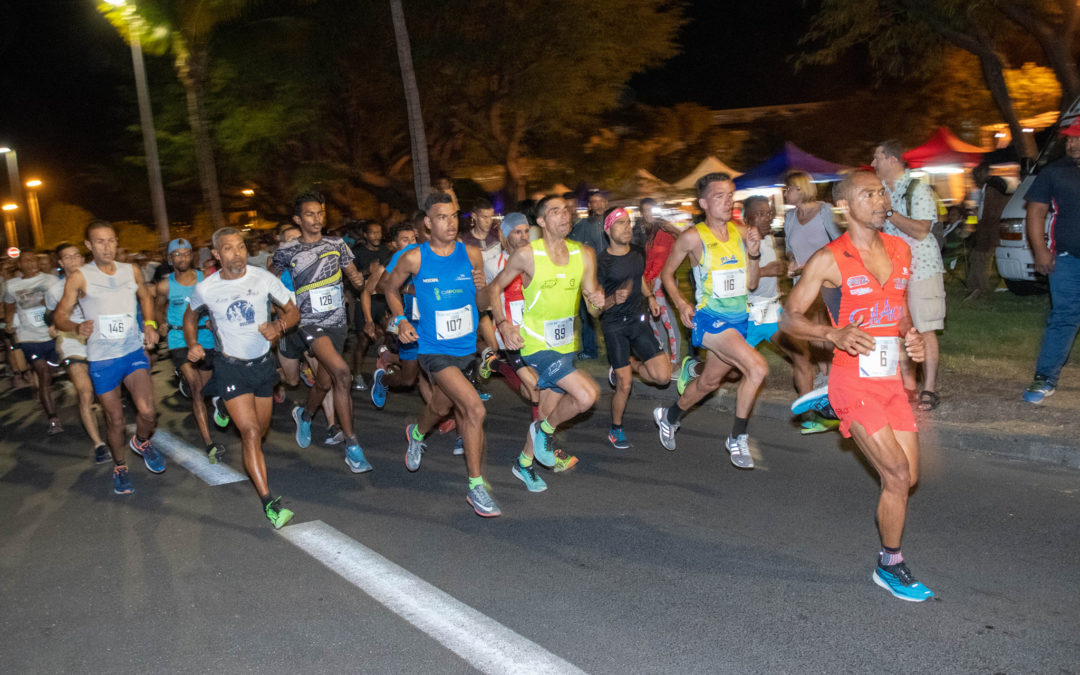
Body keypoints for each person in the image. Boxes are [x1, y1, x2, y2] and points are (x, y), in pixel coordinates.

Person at [780, 169, 933, 602]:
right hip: (853, 381)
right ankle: (890, 565)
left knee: (909, 477)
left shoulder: (901, 249)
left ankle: (829, 403)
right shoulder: (830, 258)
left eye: (882, 192)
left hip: (888, 381)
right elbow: (788, 317)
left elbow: (898, 310)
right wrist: (832, 335)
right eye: (870, 194)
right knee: (897, 474)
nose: (881, 199)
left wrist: (911, 337)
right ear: (846, 205)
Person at [384, 192, 500, 517]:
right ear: (428, 223)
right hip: (432, 348)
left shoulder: (473, 255)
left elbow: (481, 305)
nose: (451, 223)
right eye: (442, 217)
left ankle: (417, 433)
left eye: (454, 216)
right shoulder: (414, 258)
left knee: (442, 403)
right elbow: (389, 289)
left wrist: (483, 289)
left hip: (465, 348)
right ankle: (476, 487)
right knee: (474, 409)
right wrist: (400, 319)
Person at [487, 195, 605, 493]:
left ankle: (524, 463)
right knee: (587, 395)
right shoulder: (527, 255)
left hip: (565, 345)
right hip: (535, 346)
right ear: (541, 221)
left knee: (543, 414)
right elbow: (494, 289)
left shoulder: (584, 254)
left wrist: (597, 302)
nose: (564, 216)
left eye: (566, 211)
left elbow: (592, 304)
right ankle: (547, 434)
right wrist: (503, 324)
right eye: (555, 211)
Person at [185, 227, 300, 528]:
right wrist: (193, 343)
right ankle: (269, 503)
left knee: (260, 432)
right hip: (230, 367)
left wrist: (280, 327)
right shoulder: (206, 288)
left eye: (241, 247)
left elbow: (292, 310)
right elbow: (189, 316)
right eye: (229, 249)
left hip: (262, 366)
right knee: (249, 434)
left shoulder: (263, 278)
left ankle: (222, 406)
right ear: (216, 254)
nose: (237, 254)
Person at [652, 173, 766, 469]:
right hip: (710, 319)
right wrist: (680, 303)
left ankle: (670, 416)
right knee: (757, 367)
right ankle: (737, 438)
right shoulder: (693, 237)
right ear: (703, 203)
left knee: (709, 382)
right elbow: (666, 274)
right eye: (719, 196)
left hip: (738, 319)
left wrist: (754, 254)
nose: (727, 201)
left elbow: (752, 284)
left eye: (730, 195)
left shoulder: (742, 232)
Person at [54, 220, 165, 495]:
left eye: (112, 240)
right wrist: (75, 327)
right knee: (114, 420)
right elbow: (59, 316)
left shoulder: (131, 270)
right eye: (100, 242)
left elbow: (145, 297)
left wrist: (149, 325)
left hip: (131, 351)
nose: (107, 246)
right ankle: (120, 466)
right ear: (89, 246)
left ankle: (140, 441)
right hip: (103, 359)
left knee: (148, 411)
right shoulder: (80, 276)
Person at [270, 191, 371, 472]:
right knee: (342, 373)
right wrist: (282, 312)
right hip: (309, 323)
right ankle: (352, 445)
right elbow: (269, 284)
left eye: (320, 213)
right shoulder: (287, 251)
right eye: (310, 214)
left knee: (325, 382)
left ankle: (305, 413)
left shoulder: (337, 244)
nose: (317, 219)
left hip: (338, 322)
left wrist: (359, 279)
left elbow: (355, 278)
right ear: (298, 219)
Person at [872, 140, 946, 411]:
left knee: (925, 330)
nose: (872, 163)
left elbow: (921, 230)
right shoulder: (881, 192)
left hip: (922, 270)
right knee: (898, 330)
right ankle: (907, 386)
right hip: (893, 273)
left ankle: (929, 389)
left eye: (876, 157)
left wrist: (889, 212)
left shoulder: (918, 189)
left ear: (892, 159)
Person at [597, 207, 670, 449]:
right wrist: (611, 300)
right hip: (614, 325)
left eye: (628, 222)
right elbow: (594, 308)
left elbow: (638, 277)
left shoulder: (637, 253)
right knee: (624, 385)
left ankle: (630, 365)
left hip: (638, 320)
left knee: (663, 376)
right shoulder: (601, 262)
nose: (627, 227)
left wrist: (650, 297)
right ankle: (615, 429)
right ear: (608, 230)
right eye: (620, 223)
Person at [1022, 119, 1080, 404]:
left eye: (1077, 139)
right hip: (1068, 260)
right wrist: (1040, 251)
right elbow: (1035, 212)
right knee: (1064, 317)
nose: (1071, 143)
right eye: (1069, 139)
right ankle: (1045, 377)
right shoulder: (1054, 172)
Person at [154, 238, 225, 462]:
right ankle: (209, 443)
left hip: (205, 338)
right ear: (170, 258)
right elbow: (157, 308)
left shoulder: (206, 280)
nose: (183, 258)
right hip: (178, 340)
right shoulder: (165, 285)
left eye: (186, 253)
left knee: (204, 388)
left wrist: (215, 320)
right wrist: (160, 324)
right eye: (178, 254)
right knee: (196, 389)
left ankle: (215, 400)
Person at [46, 243, 108, 461]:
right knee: (85, 391)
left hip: (99, 341)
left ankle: (112, 429)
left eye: (76, 256)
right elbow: (51, 316)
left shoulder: (97, 280)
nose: (73, 260)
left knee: (106, 393)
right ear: (61, 263)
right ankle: (99, 444)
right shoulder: (55, 291)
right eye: (67, 258)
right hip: (72, 342)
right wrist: (54, 325)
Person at [4, 250, 64, 433]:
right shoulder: (11, 285)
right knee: (43, 374)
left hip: (51, 336)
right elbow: (9, 307)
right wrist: (8, 324)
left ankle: (45, 393)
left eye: (33, 260)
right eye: (25, 261)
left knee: (50, 372)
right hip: (28, 338)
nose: (30, 264)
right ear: (19, 265)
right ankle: (53, 417)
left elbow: (62, 304)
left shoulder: (51, 281)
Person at [639, 198, 683, 368]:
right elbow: (650, 260)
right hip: (653, 282)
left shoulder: (663, 232)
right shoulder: (652, 232)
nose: (648, 214)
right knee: (655, 320)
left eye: (651, 210)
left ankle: (675, 359)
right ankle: (664, 355)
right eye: (645, 211)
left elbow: (659, 262)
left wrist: (650, 282)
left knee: (667, 321)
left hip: (661, 282)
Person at [568, 189, 608, 359]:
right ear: (589, 205)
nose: (598, 205)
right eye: (594, 202)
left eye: (601, 201)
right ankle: (590, 350)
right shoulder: (582, 226)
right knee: (587, 316)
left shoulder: (612, 222)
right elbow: (572, 247)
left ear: (605, 203)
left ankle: (617, 348)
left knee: (612, 313)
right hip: (588, 276)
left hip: (610, 274)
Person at [348, 220, 388, 391]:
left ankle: (386, 370)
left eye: (379, 232)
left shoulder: (386, 251)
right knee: (363, 341)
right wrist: (367, 272)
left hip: (382, 301)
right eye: (372, 233)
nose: (376, 236)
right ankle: (356, 374)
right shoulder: (357, 253)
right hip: (364, 302)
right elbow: (349, 278)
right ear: (365, 235)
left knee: (391, 335)